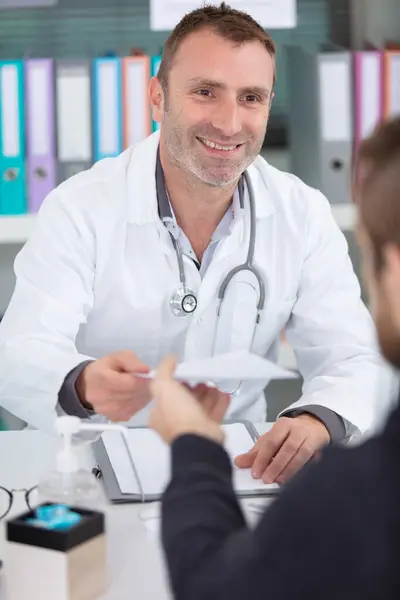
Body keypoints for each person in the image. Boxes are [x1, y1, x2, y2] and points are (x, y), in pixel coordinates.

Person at [0, 4, 381, 483]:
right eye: (205, 92)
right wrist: (82, 384)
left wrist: (318, 419)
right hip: (94, 469)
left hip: (240, 470)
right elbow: (18, 351)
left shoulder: (301, 212)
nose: (229, 123)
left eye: (251, 98)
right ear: (157, 98)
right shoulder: (80, 207)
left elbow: (354, 357)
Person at [149, 116, 400, 599]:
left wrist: (195, 446)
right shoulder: (85, 201)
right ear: (159, 98)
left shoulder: (356, 498)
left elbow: (212, 587)